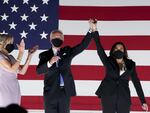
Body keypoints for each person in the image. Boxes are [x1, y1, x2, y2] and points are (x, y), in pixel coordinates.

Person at [36, 19, 95, 113]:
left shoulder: (67, 51)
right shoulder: (44, 55)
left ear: (63, 39)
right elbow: (39, 71)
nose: (57, 38)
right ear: (50, 40)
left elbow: (82, 46)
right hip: (50, 93)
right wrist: (50, 62)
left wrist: (91, 29)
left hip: (65, 92)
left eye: (59, 37)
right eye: (55, 37)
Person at [92, 20, 149, 113]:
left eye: (121, 48)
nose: (119, 49)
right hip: (108, 96)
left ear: (124, 51)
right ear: (113, 51)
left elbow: (136, 83)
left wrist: (143, 101)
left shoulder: (131, 64)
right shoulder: (108, 61)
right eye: (116, 48)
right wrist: (95, 30)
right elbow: (99, 48)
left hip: (124, 98)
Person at [0, 34, 38, 107]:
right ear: (2, 43)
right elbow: (12, 68)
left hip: (14, 89)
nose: (11, 45)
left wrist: (29, 56)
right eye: (10, 43)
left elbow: (22, 72)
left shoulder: (10, 57)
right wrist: (21, 53)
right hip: (3, 89)